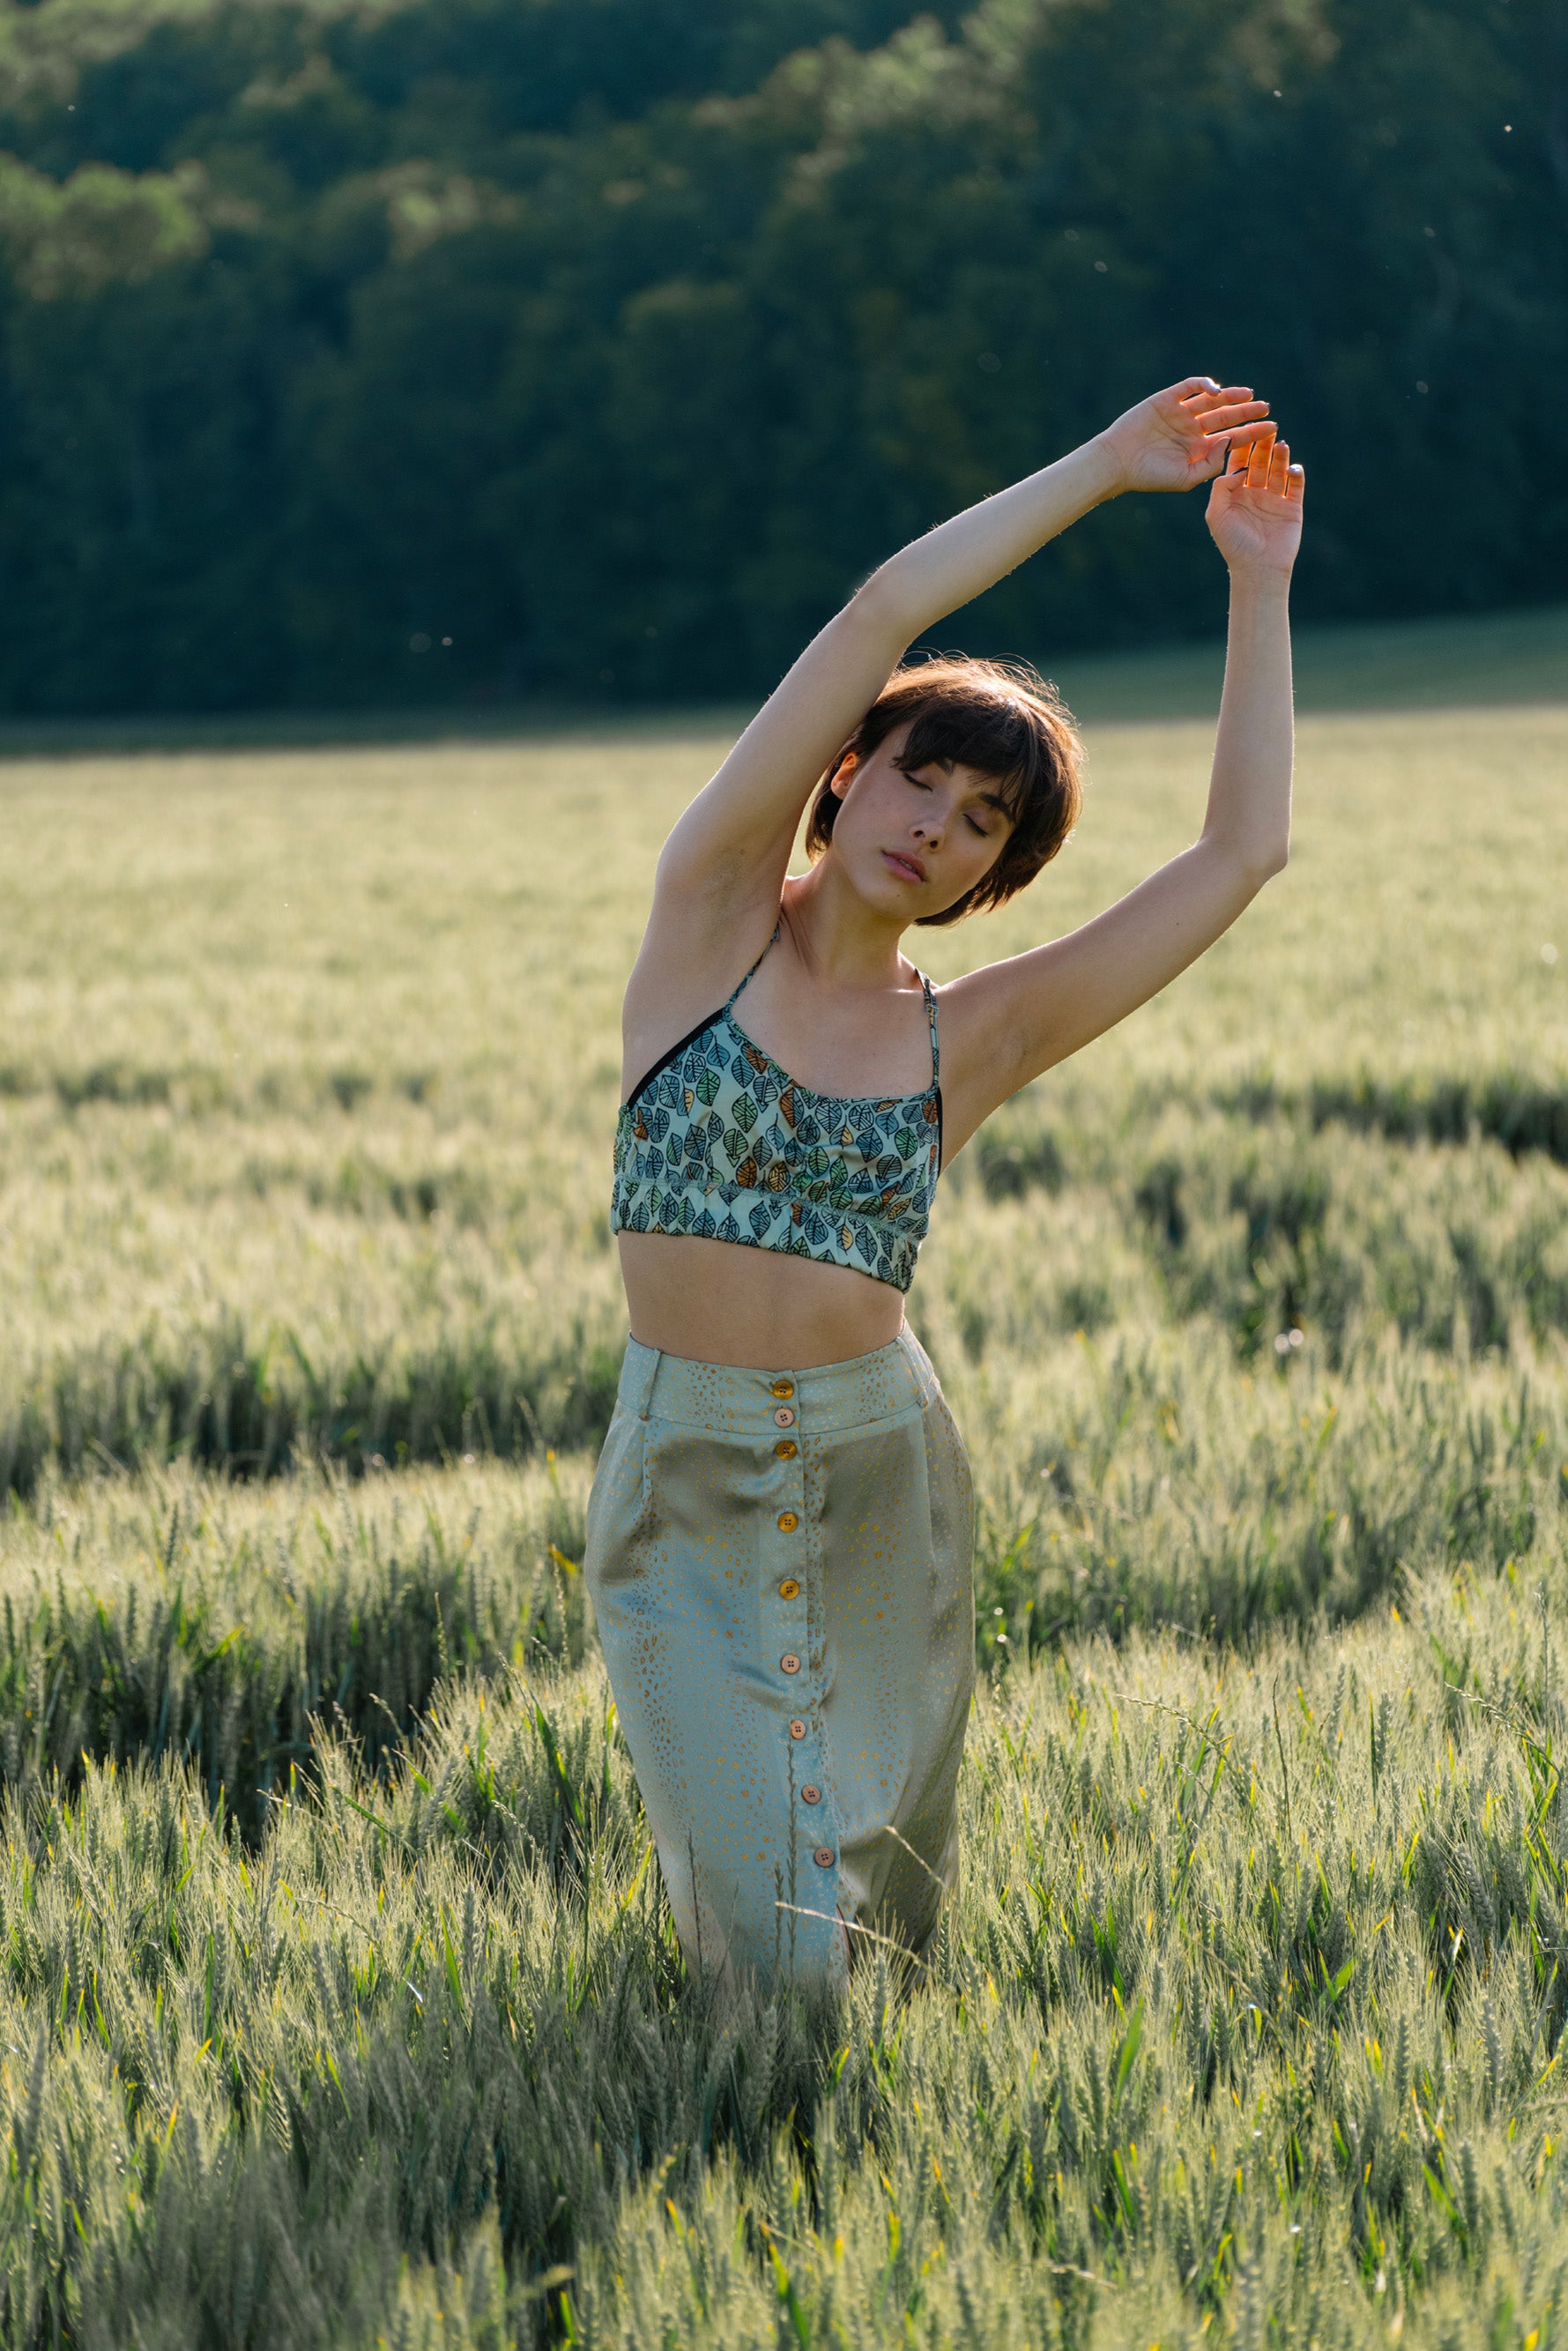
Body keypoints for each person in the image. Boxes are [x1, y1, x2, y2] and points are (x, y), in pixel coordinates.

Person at [585, 379, 1304, 1988]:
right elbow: (885, 605)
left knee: (882, 1933)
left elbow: (1236, 857)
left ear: (996, 874)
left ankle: (816, 2176)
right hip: (681, 1474)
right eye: (921, 777)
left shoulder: (966, 1039)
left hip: (878, 1476)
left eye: (985, 821)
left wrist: (1258, 577)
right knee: (765, 1941)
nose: (939, 825)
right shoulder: (707, 923)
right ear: (847, 773)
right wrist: (1110, 470)